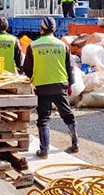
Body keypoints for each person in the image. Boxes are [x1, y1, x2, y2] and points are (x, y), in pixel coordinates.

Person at [22, 17, 78, 159]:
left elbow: (27, 70)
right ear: (54, 30)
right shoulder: (62, 45)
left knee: (43, 119)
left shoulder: (33, 46)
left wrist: (27, 81)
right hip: (60, 85)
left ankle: (44, 151)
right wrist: (70, 84)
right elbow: (70, 67)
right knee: (68, 115)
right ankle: (75, 144)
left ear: (41, 29)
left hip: (42, 87)